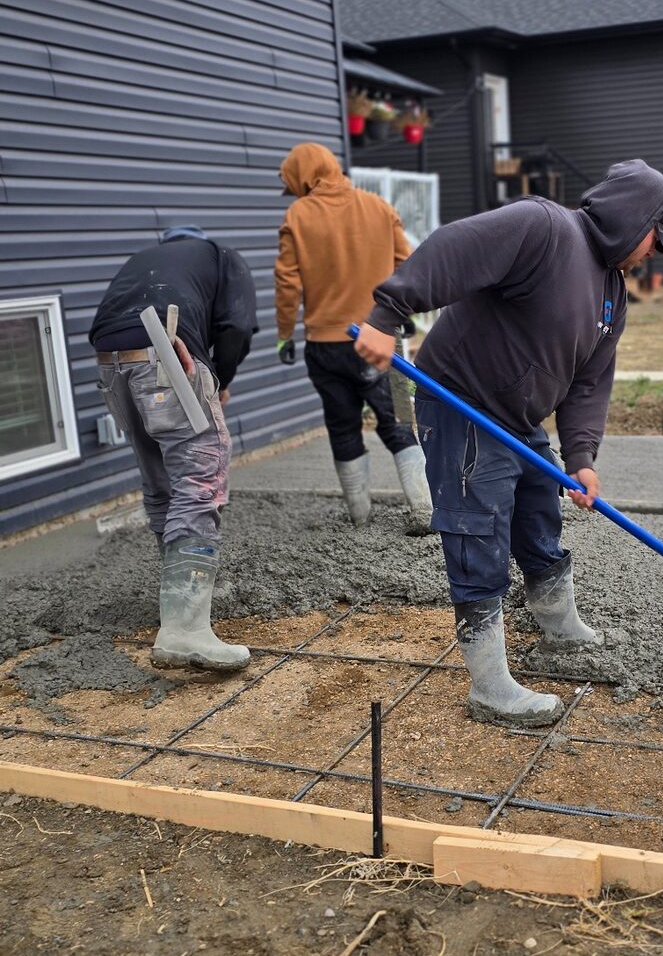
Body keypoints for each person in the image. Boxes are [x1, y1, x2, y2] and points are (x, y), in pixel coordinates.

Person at [354, 159, 663, 727]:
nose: (657, 252)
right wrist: (389, 311)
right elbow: (455, 249)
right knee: (476, 528)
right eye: (657, 237)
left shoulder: (612, 293)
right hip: (464, 402)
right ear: (634, 220)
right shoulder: (544, 228)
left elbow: (588, 382)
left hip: (519, 418)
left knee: (539, 513)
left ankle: (558, 627)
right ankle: (489, 686)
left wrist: (581, 458)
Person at [89, 225, 257, 672]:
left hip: (111, 361)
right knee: (201, 478)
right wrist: (218, 377)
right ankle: (184, 629)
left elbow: (108, 321)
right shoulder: (223, 255)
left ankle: (179, 601)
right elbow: (237, 326)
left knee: (163, 482)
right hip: (165, 351)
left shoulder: (148, 258)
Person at [274, 142, 431, 529]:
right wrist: (401, 313)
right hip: (381, 338)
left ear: (304, 177)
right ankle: (427, 511)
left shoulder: (298, 215)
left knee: (342, 425)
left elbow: (286, 283)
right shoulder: (377, 207)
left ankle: (359, 518)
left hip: (325, 346)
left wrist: (283, 336)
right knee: (398, 421)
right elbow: (406, 264)